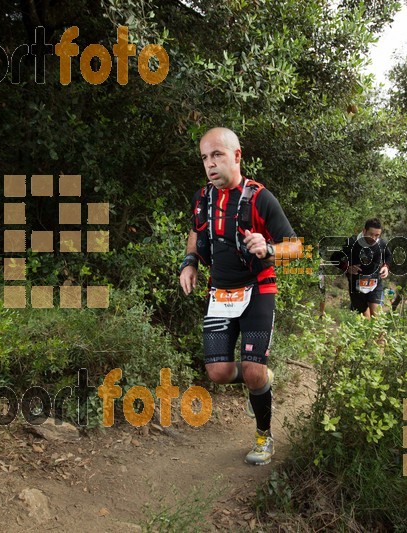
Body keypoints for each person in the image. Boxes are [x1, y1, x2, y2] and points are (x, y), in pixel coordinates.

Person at [178, 127, 301, 465]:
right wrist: (190, 263)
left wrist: (270, 246)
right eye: (204, 157)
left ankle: (264, 436)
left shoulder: (260, 197)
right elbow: (196, 231)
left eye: (217, 155)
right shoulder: (203, 197)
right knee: (217, 372)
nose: (210, 164)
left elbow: (296, 246)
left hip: (258, 289)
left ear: (236, 156)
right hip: (220, 292)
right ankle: (261, 381)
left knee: (251, 369)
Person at [331, 218, 390, 318]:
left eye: (377, 235)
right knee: (364, 318)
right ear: (364, 231)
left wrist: (386, 267)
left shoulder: (381, 244)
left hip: (375, 283)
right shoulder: (351, 243)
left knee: (377, 317)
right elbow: (334, 258)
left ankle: (381, 334)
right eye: (371, 234)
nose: (374, 238)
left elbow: (388, 256)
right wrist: (347, 267)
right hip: (356, 285)